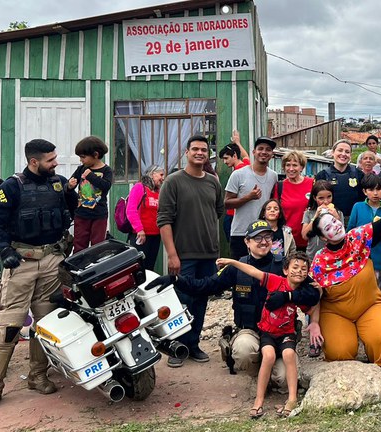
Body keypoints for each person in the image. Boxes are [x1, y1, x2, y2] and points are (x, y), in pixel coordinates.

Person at [0, 139, 77, 412]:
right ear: (34, 162)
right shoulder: (11, 186)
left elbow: (72, 212)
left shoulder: (59, 183)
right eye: (51, 160)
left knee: (45, 324)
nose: (56, 163)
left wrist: (74, 193)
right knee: (9, 325)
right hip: (21, 262)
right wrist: (3, 249)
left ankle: (38, 375)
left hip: (52, 260)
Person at [176, 220, 320, 388]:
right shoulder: (236, 268)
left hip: (279, 334)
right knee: (244, 350)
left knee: (283, 379)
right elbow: (204, 286)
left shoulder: (284, 266)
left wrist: (289, 296)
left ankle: (270, 371)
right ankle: (258, 375)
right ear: (247, 241)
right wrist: (176, 280)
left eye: (267, 237)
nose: (264, 242)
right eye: (257, 238)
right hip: (249, 330)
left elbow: (313, 293)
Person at [304, 186, 381, 368]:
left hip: (369, 305)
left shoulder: (359, 237)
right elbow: (314, 296)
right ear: (324, 238)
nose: (335, 227)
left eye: (335, 222)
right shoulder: (320, 260)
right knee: (339, 351)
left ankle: (379, 365)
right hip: (336, 312)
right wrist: (314, 322)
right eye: (328, 227)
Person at [215, 251, 314, 419]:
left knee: (289, 354)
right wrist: (232, 262)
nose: (299, 271)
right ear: (285, 270)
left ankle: (292, 399)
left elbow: (314, 305)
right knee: (268, 356)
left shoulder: (303, 292)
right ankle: (258, 400)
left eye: (304, 269)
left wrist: (315, 322)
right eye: (295, 267)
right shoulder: (276, 281)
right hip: (267, 332)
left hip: (286, 334)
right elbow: (253, 271)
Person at [158, 135, 225, 368]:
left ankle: (194, 344)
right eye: (195, 149)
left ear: (208, 154)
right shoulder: (173, 182)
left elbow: (217, 212)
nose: (199, 153)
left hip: (208, 254)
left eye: (204, 150)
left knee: (201, 301)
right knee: (181, 301)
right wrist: (172, 254)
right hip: (183, 255)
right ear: (187, 152)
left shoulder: (213, 182)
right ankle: (177, 347)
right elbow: (164, 220)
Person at [225, 136, 278, 260]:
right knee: (240, 273)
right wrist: (248, 197)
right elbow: (227, 203)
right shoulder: (238, 174)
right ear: (254, 152)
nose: (264, 152)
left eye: (268, 149)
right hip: (241, 233)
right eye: (260, 148)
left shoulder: (273, 176)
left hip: (263, 234)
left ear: (272, 154)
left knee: (262, 274)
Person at [347, 174, 381, 296]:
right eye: (371, 190)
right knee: (358, 294)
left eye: (378, 189)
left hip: (379, 259)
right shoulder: (358, 207)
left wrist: (380, 227)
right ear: (364, 191)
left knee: (379, 294)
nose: (375, 193)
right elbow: (350, 233)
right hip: (359, 259)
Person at [67, 136, 112, 254]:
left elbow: (106, 186)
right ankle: (78, 269)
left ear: (96, 155)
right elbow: (69, 185)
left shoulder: (106, 170)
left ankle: (96, 269)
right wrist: (69, 186)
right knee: (79, 244)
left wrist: (91, 176)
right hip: (81, 213)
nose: (81, 160)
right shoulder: (81, 169)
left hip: (99, 214)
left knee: (97, 246)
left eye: (83, 157)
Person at [271, 150, 313, 252]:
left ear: (302, 167)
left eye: (295, 165)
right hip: (287, 240)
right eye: (287, 165)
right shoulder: (279, 186)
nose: (291, 169)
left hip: (309, 239)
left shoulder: (311, 183)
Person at [315, 139, 363, 224]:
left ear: (350, 155)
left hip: (355, 221)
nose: (343, 154)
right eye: (340, 150)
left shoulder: (359, 175)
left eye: (347, 152)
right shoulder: (322, 175)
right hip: (330, 221)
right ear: (333, 152)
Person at [126, 165, 164, 271]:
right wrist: (140, 230)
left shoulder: (159, 192)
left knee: (150, 267)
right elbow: (131, 210)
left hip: (156, 235)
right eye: (161, 175)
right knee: (139, 267)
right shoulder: (139, 187)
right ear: (152, 174)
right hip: (141, 235)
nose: (163, 178)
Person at [219, 130, 250, 241]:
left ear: (235, 155)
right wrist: (237, 143)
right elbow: (245, 155)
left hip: (234, 217)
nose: (225, 162)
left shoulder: (237, 172)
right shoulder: (247, 166)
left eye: (226, 158)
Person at [302, 180, 344, 263]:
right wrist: (315, 217)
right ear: (314, 198)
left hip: (333, 257)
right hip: (312, 257)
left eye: (329, 197)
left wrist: (336, 217)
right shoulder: (308, 213)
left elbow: (342, 236)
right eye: (321, 198)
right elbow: (304, 236)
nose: (326, 201)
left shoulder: (337, 213)